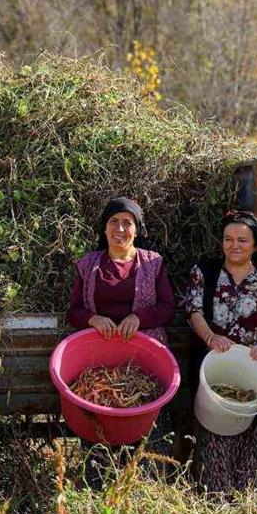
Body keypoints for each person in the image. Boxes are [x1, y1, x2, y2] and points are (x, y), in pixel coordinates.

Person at [66, 197, 176, 461]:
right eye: (113, 222)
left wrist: (139, 318)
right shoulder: (88, 265)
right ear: (104, 229)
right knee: (99, 421)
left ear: (137, 229)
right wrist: (93, 319)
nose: (120, 229)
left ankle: (145, 479)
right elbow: (73, 312)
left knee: (144, 425)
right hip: (99, 363)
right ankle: (97, 482)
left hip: (143, 361)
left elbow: (168, 308)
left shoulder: (153, 263)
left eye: (127, 223)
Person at [183, 211, 257, 493]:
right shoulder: (205, 272)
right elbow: (193, 310)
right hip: (213, 372)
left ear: (256, 245)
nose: (234, 245)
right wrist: (211, 337)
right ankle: (215, 502)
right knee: (214, 438)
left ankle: (250, 504)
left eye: (242, 240)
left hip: (252, 372)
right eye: (228, 239)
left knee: (253, 442)